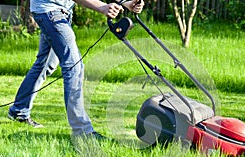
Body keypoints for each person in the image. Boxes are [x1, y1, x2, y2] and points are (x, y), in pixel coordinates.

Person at [8, 0, 144, 138]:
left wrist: (126, 2)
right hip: (50, 12)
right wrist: (102, 8)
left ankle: (19, 110)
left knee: (45, 65)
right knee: (74, 67)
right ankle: (82, 130)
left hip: (57, 12)